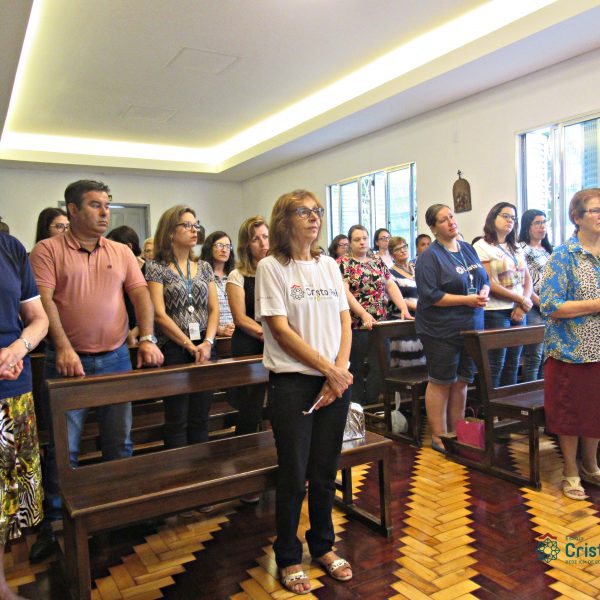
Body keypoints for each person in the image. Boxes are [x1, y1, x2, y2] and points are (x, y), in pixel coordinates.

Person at [28, 179, 164, 563]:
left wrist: (148, 337)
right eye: (95, 205)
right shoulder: (48, 250)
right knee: (64, 448)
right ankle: (57, 522)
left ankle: (118, 511)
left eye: (107, 205)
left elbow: (140, 293)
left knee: (119, 441)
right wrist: (63, 347)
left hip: (116, 357)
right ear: (72, 209)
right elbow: (45, 302)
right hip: (67, 362)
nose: (105, 212)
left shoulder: (120, 251)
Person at [256, 189, 353, 595]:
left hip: (334, 381)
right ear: (284, 220)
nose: (314, 218)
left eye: (318, 211)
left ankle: (323, 546)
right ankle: (288, 555)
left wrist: (339, 372)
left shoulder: (329, 265)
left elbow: (345, 321)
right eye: (303, 212)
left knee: (325, 471)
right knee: (294, 474)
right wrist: (329, 370)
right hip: (293, 384)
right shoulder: (271, 267)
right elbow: (280, 330)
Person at [540, 188, 600, 500]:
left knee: (595, 410)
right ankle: (571, 471)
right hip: (571, 350)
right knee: (570, 413)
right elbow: (550, 305)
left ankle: (591, 466)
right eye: (595, 210)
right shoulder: (564, 256)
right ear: (577, 217)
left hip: (599, 349)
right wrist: (597, 304)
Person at [415, 204, 489, 452]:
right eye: (443, 220)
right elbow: (431, 296)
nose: (451, 222)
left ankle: (457, 431)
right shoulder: (429, 257)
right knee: (441, 381)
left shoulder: (467, 248)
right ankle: (438, 436)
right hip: (440, 329)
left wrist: (484, 290)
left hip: (471, 326)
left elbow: (484, 278)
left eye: (452, 217)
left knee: (462, 381)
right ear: (433, 227)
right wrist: (467, 300)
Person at [0, 233, 49, 599]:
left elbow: (37, 319)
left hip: (11, 389)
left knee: (6, 496)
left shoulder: (10, 247)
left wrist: (18, 348)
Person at [146, 206, 218, 449]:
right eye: (186, 225)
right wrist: (188, 344)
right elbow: (158, 313)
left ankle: (201, 466)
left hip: (204, 346)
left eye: (195, 224)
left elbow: (214, 309)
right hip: (175, 346)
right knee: (177, 417)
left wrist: (208, 342)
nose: (194, 230)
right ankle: (179, 468)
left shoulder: (204, 267)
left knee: (201, 415)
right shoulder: (157, 267)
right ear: (170, 232)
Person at [338, 224, 412, 406]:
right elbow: (344, 292)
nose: (362, 242)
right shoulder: (343, 263)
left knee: (380, 365)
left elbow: (390, 285)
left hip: (379, 323)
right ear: (350, 243)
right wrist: (363, 314)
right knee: (355, 367)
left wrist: (403, 307)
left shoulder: (376, 261)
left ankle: (373, 405)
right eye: (357, 239)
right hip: (355, 325)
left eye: (364, 238)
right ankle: (357, 407)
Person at [474, 203, 532, 387]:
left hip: (519, 310)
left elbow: (527, 278)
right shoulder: (481, 246)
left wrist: (523, 304)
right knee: (496, 363)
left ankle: (511, 402)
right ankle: (492, 404)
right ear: (493, 217)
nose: (510, 221)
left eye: (513, 218)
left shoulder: (516, 247)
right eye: (505, 216)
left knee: (513, 362)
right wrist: (521, 300)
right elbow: (489, 282)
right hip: (496, 311)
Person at [226, 216, 269, 437]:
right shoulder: (238, 275)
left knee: (278, 404)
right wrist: (268, 334)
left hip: (277, 343)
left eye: (266, 237)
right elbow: (240, 318)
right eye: (255, 239)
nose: (263, 243)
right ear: (246, 245)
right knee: (250, 407)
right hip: (250, 343)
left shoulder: (278, 269)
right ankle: (245, 448)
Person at [518, 209, 553, 381]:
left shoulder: (549, 249)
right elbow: (523, 281)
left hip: (550, 306)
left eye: (544, 222)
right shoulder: (521, 248)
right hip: (533, 305)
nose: (542, 226)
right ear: (527, 227)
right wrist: (538, 301)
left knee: (548, 355)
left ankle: (544, 391)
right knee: (534, 355)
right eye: (537, 223)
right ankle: (531, 391)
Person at [106, 225, 146, 346]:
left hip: (145, 333)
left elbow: (153, 306)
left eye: (112, 247)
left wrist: (134, 333)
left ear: (128, 247)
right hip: (118, 334)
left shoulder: (150, 270)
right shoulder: (112, 270)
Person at [388, 236, 424, 367]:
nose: (403, 250)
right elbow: (396, 298)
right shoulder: (390, 273)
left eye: (404, 246)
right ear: (392, 255)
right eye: (398, 249)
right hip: (403, 321)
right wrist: (419, 307)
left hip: (422, 318)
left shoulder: (417, 267)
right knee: (407, 362)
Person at [200, 231, 235, 337]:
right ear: (209, 248)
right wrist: (218, 329)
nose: (224, 250)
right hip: (211, 336)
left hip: (235, 335)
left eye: (228, 246)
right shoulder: (200, 275)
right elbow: (198, 311)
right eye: (219, 245)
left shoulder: (234, 275)